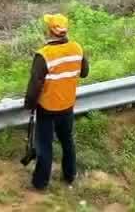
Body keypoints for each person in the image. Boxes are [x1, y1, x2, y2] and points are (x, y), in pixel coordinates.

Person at [23, 12, 87, 190]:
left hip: (47, 107)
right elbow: (84, 72)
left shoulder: (44, 55)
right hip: (67, 105)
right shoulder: (77, 49)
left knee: (44, 145)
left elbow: (35, 83)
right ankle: (70, 174)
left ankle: (40, 182)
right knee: (67, 140)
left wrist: (29, 105)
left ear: (50, 31)